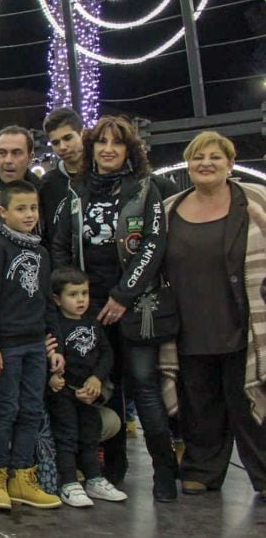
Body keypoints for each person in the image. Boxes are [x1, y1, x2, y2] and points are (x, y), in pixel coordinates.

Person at [50, 115, 179, 502]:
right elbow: (59, 244)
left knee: (143, 385)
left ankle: (164, 472)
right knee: (104, 389)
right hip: (89, 308)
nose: (108, 149)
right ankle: (112, 468)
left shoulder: (145, 189)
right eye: (101, 142)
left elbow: (153, 245)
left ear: (129, 150)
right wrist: (71, 289)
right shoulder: (75, 192)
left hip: (136, 305)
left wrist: (123, 296)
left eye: (116, 143)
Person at [163, 131, 266, 499]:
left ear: (230, 164)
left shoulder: (255, 198)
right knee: (199, 405)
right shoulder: (169, 209)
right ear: (188, 165)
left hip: (244, 322)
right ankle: (202, 470)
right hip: (189, 323)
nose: (205, 163)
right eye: (197, 157)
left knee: (249, 405)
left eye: (215, 157)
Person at [0, 180, 64, 511]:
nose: (29, 215)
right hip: (6, 347)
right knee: (5, 410)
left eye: (33, 208)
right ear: (3, 212)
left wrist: (54, 347)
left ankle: (22, 476)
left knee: (31, 410)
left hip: (36, 346)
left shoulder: (41, 252)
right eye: (21, 208)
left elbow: (47, 302)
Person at [46, 266, 127, 507]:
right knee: (67, 436)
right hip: (64, 393)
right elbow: (47, 357)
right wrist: (50, 379)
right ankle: (69, 481)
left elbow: (106, 353)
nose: (80, 300)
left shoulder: (92, 322)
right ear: (56, 299)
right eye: (73, 295)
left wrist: (97, 379)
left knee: (90, 436)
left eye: (84, 293)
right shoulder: (54, 327)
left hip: (88, 394)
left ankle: (94, 478)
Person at [39, 108, 85, 247]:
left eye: (68, 138)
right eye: (55, 142)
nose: (62, 147)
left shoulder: (102, 175)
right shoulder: (47, 184)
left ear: (82, 133)